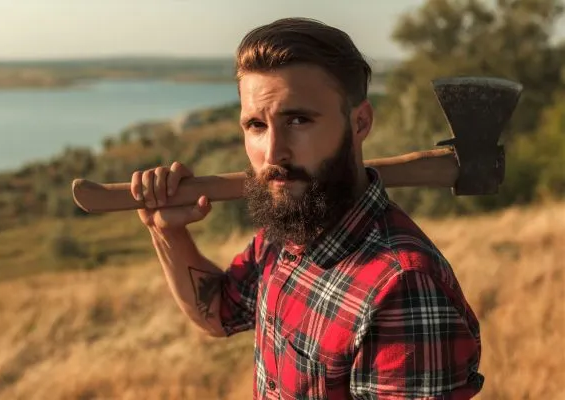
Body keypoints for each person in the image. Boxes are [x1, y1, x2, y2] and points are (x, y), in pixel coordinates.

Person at [131, 17, 484, 400]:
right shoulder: (288, 228)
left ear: (360, 122)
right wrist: (166, 231)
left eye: (298, 120)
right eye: (256, 125)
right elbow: (217, 312)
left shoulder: (404, 288)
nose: (273, 153)